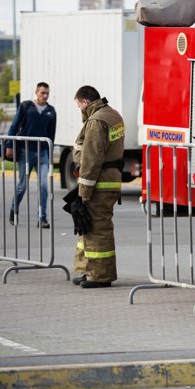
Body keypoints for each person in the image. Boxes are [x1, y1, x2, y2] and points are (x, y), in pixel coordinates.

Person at [71, 85, 125, 289]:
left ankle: (100, 276)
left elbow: (91, 159)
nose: (80, 111)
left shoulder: (96, 121)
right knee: (89, 228)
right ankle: (88, 270)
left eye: (79, 106)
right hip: (111, 179)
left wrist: (84, 191)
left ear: (85, 102)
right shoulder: (113, 115)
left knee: (97, 229)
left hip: (100, 182)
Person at [6, 82, 56, 228]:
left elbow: (51, 136)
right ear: (36, 92)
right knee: (22, 186)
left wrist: (49, 153)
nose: (45, 95)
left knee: (44, 185)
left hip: (43, 154)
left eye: (47, 93)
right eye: (42, 93)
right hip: (25, 152)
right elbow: (14, 127)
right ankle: (14, 209)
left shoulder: (51, 111)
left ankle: (42, 218)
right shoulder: (26, 106)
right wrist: (9, 145)